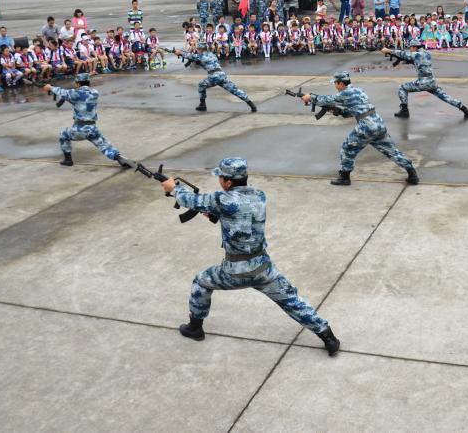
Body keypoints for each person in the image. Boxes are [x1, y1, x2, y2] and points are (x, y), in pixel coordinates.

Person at [160, 157, 340, 355]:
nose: (219, 180)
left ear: (228, 182)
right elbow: (241, 215)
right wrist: (216, 215)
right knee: (291, 300)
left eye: (221, 178)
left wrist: (173, 188)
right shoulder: (259, 195)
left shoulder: (222, 199)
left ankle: (195, 328)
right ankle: (328, 337)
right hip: (263, 267)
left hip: (235, 271)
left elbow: (191, 200)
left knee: (201, 283)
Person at [300, 71, 418, 186]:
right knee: (391, 150)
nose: (335, 86)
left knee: (347, 148)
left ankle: (344, 177)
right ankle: (412, 172)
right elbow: (354, 110)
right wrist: (339, 111)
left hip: (366, 127)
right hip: (378, 124)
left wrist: (309, 97)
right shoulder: (358, 90)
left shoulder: (345, 93)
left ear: (341, 83)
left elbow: (326, 99)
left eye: (335, 83)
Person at [42, 73, 131, 168]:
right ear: (88, 82)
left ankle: (68, 160)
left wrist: (50, 87)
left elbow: (62, 91)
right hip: (92, 128)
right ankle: (119, 158)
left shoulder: (74, 94)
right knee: (104, 145)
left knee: (63, 134)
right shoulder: (94, 93)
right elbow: (78, 97)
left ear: (78, 84)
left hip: (80, 129)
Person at [382, 39, 468, 119]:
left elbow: (403, 54)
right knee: (445, 97)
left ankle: (404, 110)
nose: (410, 49)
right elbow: (416, 61)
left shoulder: (417, 54)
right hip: (432, 82)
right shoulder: (426, 54)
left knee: (402, 88)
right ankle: (464, 109)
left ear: (414, 47)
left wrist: (388, 50)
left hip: (423, 82)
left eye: (411, 48)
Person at [173, 45, 257, 113]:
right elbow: (203, 61)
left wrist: (179, 52)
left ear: (200, 49)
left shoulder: (201, 55)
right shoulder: (212, 54)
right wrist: (198, 62)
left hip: (214, 76)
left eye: (198, 49)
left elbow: (189, 55)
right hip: (222, 75)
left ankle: (202, 105)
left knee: (201, 85)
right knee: (234, 90)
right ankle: (251, 104)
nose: (197, 51)